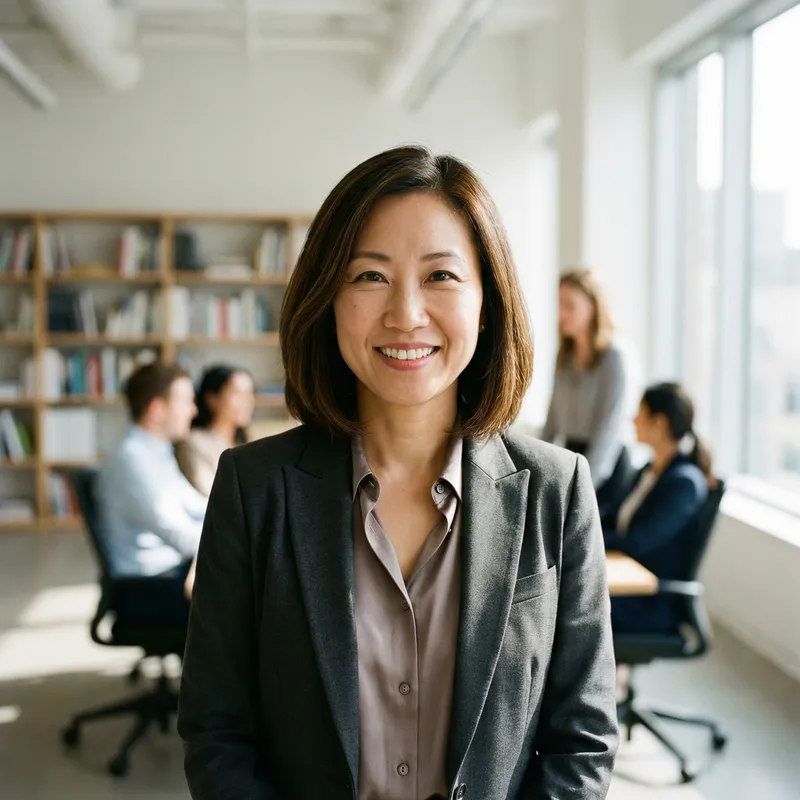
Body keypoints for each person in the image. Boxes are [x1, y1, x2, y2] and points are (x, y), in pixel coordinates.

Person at [178, 145, 619, 800]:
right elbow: (217, 731)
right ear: (327, 297)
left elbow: (581, 738)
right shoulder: (253, 487)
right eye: (369, 277)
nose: (406, 314)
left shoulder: (557, 489)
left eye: (440, 276)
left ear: (486, 301)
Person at [96, 363, 205, 622]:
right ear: (157, 409)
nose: (194, 410)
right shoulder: (132, 460)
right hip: (146, 589)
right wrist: (232, 536)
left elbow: (199, 507)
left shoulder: (157, 451)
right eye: (186, 401)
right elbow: (178, 534)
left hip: (168, 574)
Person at [603, 383, 713, 633]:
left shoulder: (684, 482)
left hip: (649, 599)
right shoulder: (648, 470)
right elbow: (614, 517)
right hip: (627, 579)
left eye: (640, 413)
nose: (633, 420)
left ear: (660, 423)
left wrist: (589, 539)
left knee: (568, 601)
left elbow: (637, 542)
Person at [541, 268, 635, 515]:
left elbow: (609, 431)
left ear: (592, 307)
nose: (562, 314)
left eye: (570, 305)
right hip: (573, 459)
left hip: (605, 467)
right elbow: (552, 423)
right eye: (559, 304)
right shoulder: (565, 356)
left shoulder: (614, 358)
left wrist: (584, 487)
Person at [175, 364, 256, 496]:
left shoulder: (249, 443)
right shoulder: (193, 443)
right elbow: (209, 495)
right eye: (237, 394)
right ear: (212, 399)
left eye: (250, 393)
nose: (247, 401)